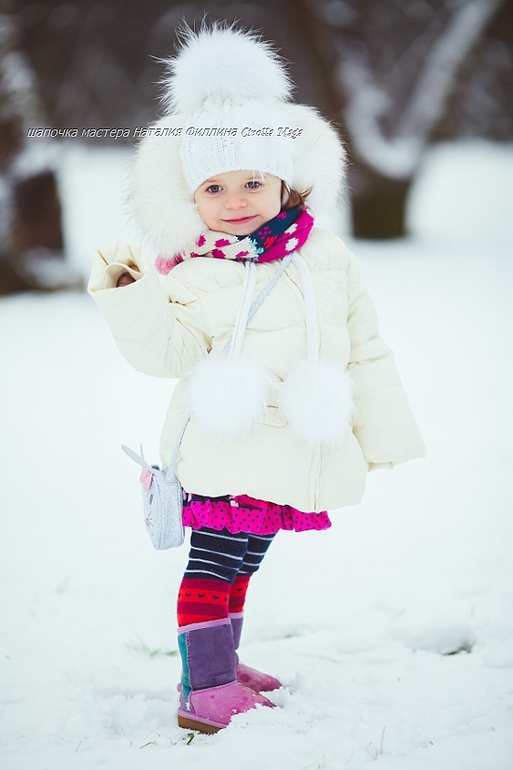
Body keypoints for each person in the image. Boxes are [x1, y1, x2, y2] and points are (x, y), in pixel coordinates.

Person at [88, 24, 425, 734]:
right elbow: (168, 352)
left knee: (247, 556)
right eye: (214, 186)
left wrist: (382, 431)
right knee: (212, 562)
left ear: (284, 180)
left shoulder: (324, 256)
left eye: (253, 181)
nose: (237, 199)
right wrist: (131, 295)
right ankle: (203, 684)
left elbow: (363, 345)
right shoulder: (194, 269)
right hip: (221, 444)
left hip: (291, 446)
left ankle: (221, 660)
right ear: (189, 196)